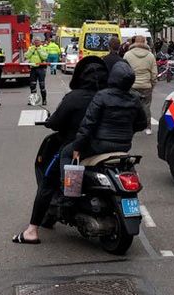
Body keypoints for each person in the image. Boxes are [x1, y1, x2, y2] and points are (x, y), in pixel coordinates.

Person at [13, 56, 108, 244]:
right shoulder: (109, 96)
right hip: (104, 147)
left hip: (75, 147)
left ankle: (32, 231)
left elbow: (56, 122)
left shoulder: (74, 97)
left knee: (47, 182)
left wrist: (50, 121)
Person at [71, 62, 147, 163]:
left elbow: (88, 124)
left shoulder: (101, 96)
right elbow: (142, 124)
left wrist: (77, 146)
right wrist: (127, 130)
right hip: (125, 145)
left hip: (100, 145)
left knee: (65, 153)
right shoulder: (135, 99)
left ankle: (67, 179)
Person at [124, 34, 157, 135]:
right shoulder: (150, 56)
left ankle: (131, 126)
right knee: (146, 107)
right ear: (144, 42)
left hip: (132, 85)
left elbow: (124, 71)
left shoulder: (128, 55)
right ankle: (148, 128)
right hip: (146, 86)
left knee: (131, 106)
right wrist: (152, 83)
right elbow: (154, 73)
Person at [25, 37, 48, 106]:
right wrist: (32, 50)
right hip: (33, 69)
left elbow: (44, 57)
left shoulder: (43, 48)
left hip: (41, 69)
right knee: (32, 85)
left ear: (40, 42)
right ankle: (33, 100)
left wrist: (38, 50)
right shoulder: (31, 48)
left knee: (42, 85)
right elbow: (26, 56)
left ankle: (44, 100)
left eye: (38, 41)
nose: (36, 42)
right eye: (35, 41)